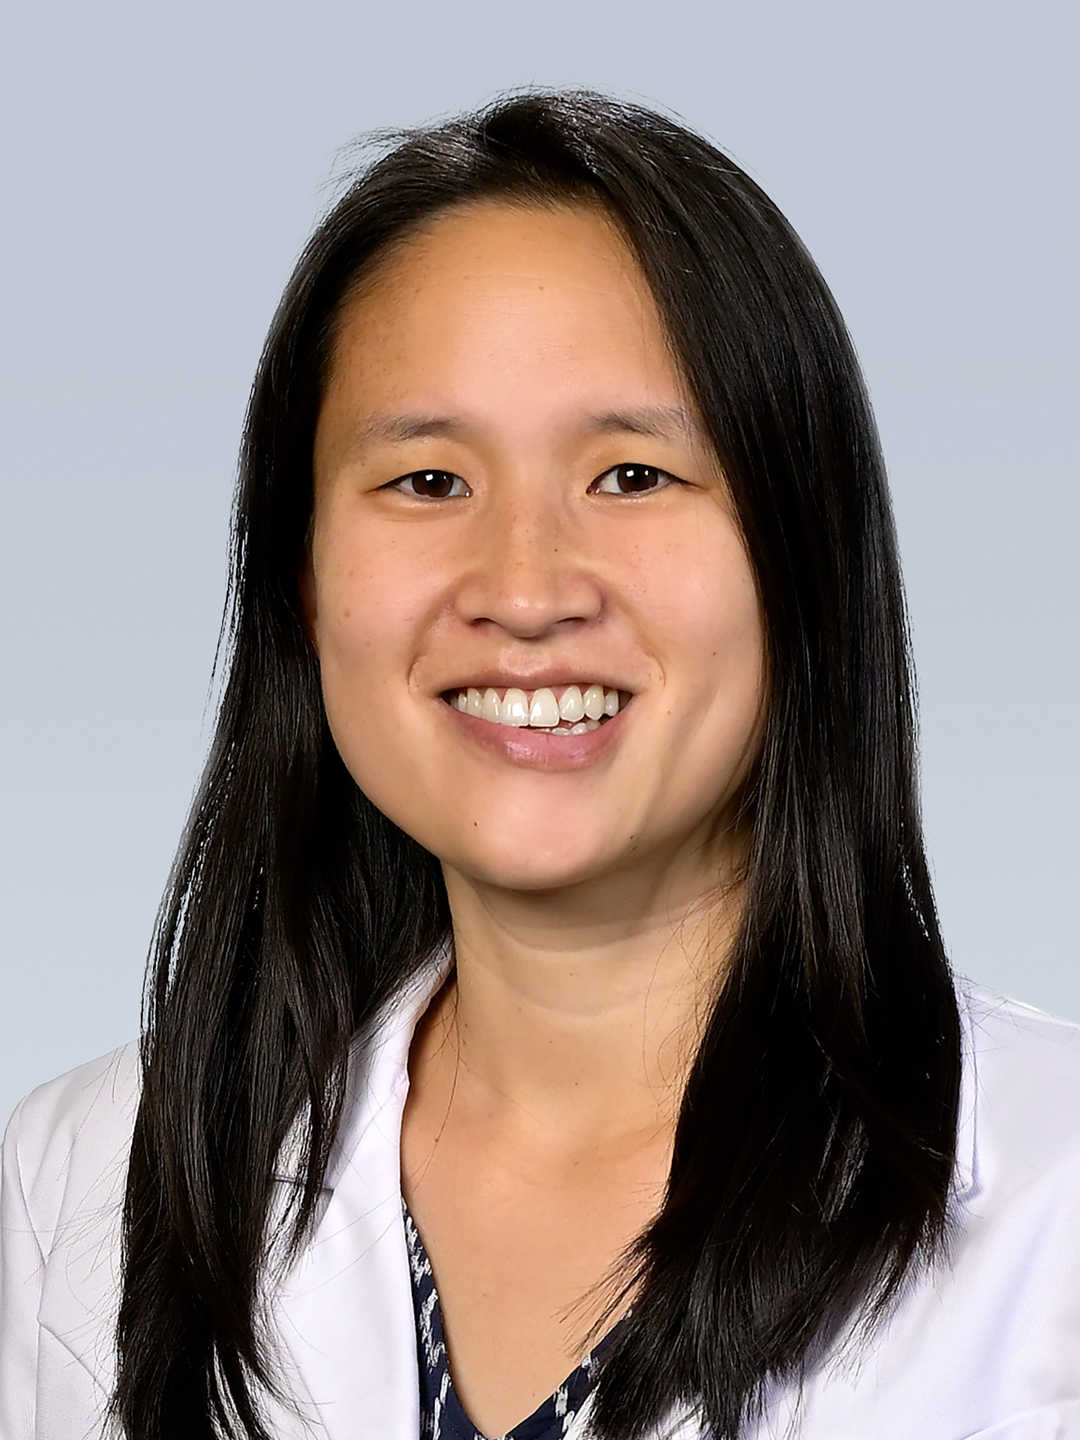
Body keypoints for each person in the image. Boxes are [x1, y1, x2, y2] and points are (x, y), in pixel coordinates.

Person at [2, 90, 1079, 1440]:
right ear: (303, 584)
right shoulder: (81, 1180)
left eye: (632, 476)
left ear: (804, 558)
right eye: (428, 483)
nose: (523, 591)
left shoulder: (1057, 1207)